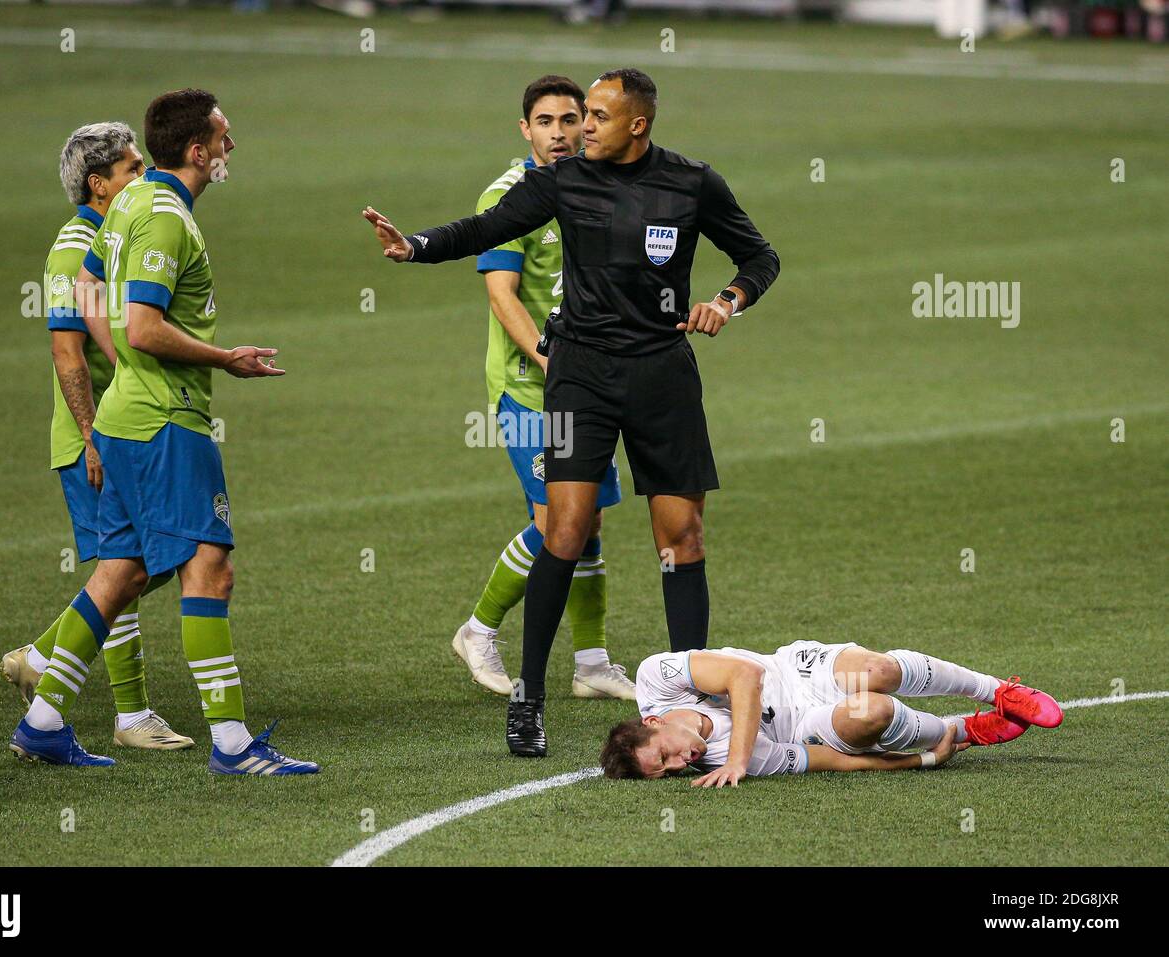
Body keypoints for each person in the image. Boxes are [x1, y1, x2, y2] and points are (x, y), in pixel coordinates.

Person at [363, 68, 780, 757]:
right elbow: (485, 227)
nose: (583, 127)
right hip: (579, 374)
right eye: (581, 114)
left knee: (683, 538)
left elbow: (759, 255)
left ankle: (688, 698)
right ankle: (529, 697)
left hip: (662, 375)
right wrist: (416, 246)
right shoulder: (564, 180)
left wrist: (726, 300)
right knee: (565, 528)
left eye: (597, 116)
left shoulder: (692, 182)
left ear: (638, 124)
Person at [9, 90, 318, 776]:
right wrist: (224, 358)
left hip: (126, 417)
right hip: (163, 422)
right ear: (198, 150)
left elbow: (90, 288)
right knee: (211, 567)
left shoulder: (127, 204)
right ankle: (235, 744)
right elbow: (144, 325)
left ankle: (44, 719)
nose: (232, 146)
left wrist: (120, 364)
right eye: (224, 136)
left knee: (121, 572)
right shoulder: (166, 219)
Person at [0, 122, 192, 751]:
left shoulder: (123, 232)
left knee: (146, 565)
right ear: (98, 183)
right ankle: (131, 715)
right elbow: (67, 352)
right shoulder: (72, 248)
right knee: (125, 570)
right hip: (95, 438)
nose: (144, 175)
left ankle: (41, 657)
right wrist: (91, 437)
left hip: (131, 427)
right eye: (132, 168)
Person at [454, 74, 633, 703]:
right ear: (525, 130)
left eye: (571, 120)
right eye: (546, 122)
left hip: (589, 387)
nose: (561, 133)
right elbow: (502, 294)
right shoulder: (510, 196)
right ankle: (477, 630)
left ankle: (590, 663)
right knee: (560, 518)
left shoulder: (593, 186)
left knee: (588, 525)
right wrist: (549, 357)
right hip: (533, 390)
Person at [600, 643, 1064, 784]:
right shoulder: (719, 761)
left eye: (664, 755)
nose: (681, 763)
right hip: (807, 723)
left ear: (653, 724)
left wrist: (738, 759)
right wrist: (922, 759)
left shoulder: (654, 679)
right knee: (872, 711)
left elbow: (744, 676)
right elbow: (829, 760)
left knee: (875, 670)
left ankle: (1000, 691)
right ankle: (963, 730)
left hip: (793, 672)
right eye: (669, 772)